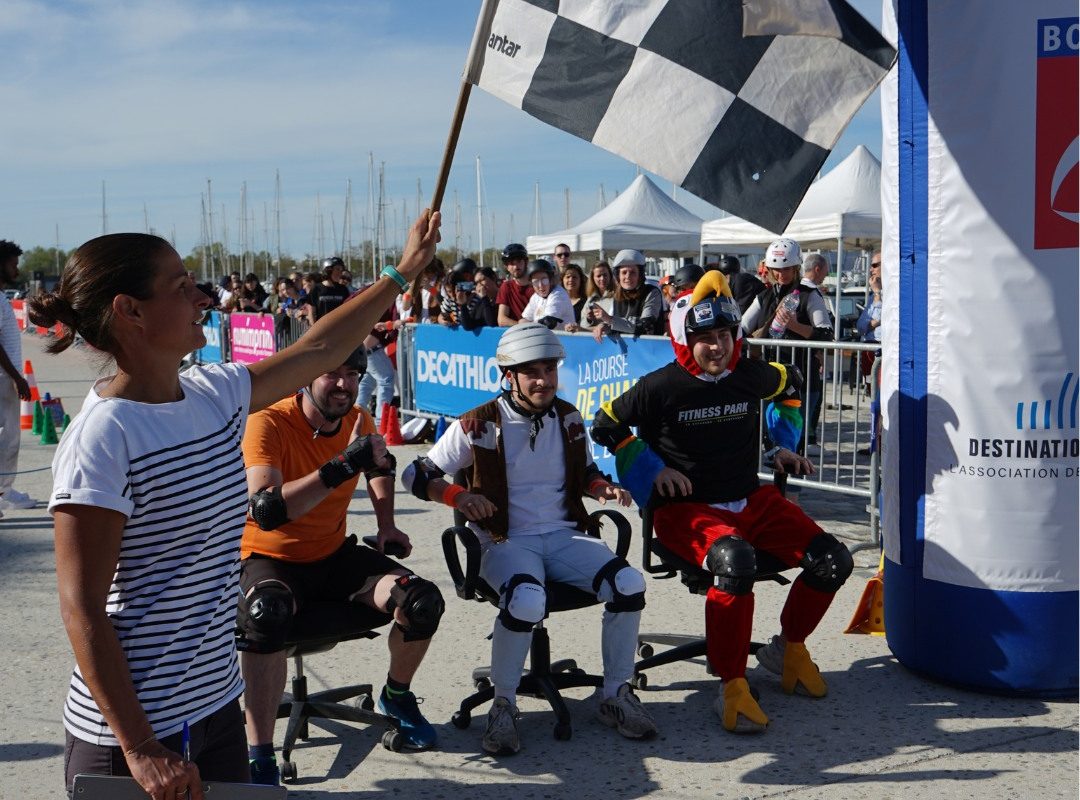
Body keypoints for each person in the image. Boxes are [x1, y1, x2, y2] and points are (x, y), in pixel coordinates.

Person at [34, 210, 440, 799]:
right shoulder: (103, 437)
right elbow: (82, 610)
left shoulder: (214, 392)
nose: (201, 295)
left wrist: (402, 273)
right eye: (179, 287)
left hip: (216, 705)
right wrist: (142, 748)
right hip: (133, 733)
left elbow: (321, 346)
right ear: (130, 311)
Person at [590, 277, 853, 734]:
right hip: (686, 510)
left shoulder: (750, 372)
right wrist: (651, 469)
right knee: (736, 560)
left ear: (736, 337)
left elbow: (792, 384)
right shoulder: (660, 386)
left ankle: (787, 649)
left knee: (833, 560)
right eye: (705, 339)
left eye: (724, 337)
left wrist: (783, 445)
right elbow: (605, 424)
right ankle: (731, 683)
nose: (716, 347)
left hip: (751, 499)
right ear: (688, 341)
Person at [401, 324, 658, 755]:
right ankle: (503, 705)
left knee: (629, 584)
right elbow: (416, 473)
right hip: (503, 540)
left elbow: (586, 475)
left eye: (549, 369)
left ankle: (614, 693)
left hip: (562, 535)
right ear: (509, 376)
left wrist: (602, 489)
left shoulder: (569, 417)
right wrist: (459, 496)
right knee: (526, 601)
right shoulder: (478, 423)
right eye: (531, 372)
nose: (544, 380)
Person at [237, 347, 443, 784]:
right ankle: (259, 754)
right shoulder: (268, 420)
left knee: (421, 601)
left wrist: (387, 524)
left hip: (331, 555)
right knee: (266, 614)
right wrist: (343, 463)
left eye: (354, 374)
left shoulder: (359, 421)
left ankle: (397, 696)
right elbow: (269, 510)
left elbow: (379, 466)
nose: (344, 384)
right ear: (306, 378)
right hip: (269, 559)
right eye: (332, 373)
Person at [741, 239, 834, 448]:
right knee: (764, 438)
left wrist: (793, 325)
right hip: (768, 377)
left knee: (793, 440)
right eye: (776, 270)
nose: (780, 275)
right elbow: (742, 329)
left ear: (796, 268)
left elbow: (826, 335)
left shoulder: (809, 295)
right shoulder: (763, 297)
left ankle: (793, 479)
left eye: (786, 269)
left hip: (801, 380)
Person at [0, 240, 36, 515]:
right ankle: (3, 493)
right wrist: (17, 377)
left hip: (6, 377)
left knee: (7, 437)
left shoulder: (2, 297)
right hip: (3, 378)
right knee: (7, 438)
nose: (17, 269)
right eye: (13, 264)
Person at [590, 249, 664, 342]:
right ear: (618, 276)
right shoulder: (616, 294)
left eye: (633, 272)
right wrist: (603, 326)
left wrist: (610, 319)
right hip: (625, 352)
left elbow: (645, 325)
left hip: (649, 351)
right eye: (624, 272)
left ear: (640, 275)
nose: (628, 277)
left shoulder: (652, 292)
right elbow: (618, 326)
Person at [519, 259, 576, 330]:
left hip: (564, 340)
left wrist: (528, 325)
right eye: (535, 282)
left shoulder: (558, 294)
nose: (540, 285)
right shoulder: (536, 296)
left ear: (551, 279)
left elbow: (547, 323)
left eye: (544, 280)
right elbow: (523, 320)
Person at [495, 243, 533, 326]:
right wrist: (524, 327)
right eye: (511, 263)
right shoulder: (506, 287)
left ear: (526, 262)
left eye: (519, 261)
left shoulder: (537, 285)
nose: (516, 266)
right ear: (507, 267)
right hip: (516, 336)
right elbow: (501, 320)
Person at [580, 261, 615, 329]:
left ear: (610, 276)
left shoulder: (617, 296)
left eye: (605, 275)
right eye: (599, 276)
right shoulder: (591, 299)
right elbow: (582, 325)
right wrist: (589, 319)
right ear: (593, 278)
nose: (602, 278)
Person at [560, 263, 588, 328]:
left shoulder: (586, 303)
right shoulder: (556, 301)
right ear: (562, 280)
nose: (571, 280)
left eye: (574, 277)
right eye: (568, 277)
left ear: (580, 280)